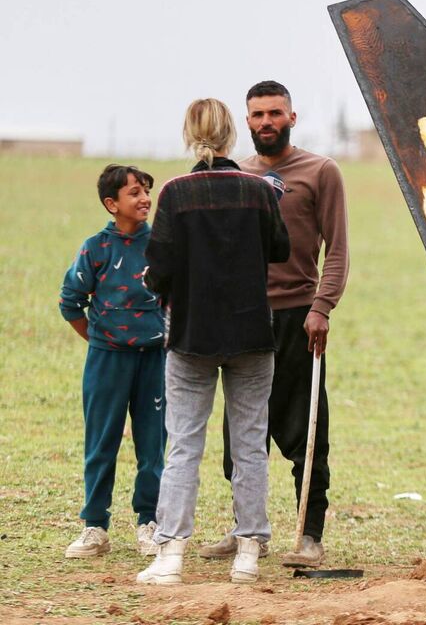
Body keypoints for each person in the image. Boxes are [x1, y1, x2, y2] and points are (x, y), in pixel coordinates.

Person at [136, 98, 289, 585]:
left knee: (183, 444)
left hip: (191, 334)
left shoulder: (177, 194)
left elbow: (158, 267)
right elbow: (281, 249)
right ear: (231, 134)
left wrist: (157, 283)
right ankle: (248, 551)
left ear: (190, 135)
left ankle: (171, 554)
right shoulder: (259, 190)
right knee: (249, 446)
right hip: (251, 332)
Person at [198, 80, 349, 568]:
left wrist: (321, 307)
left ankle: (309, 535)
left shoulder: (321, 172)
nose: (266, 122)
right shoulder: (236, 175)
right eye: (258, 115)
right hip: (243, 319)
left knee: (305, 427)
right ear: (246, 122)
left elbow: (338, 249)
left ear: (292, 117)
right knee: (241, 429)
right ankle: (247, 532)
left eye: (275, 113)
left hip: (298, 318)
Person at [59, 165, 167, 559]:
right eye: (134, 193)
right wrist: (100, 338)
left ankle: (150, 522)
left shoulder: (161, 244)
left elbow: (174, 296)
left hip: (154, 361)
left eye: (146, 191)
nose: (144, 199)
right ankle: (94, 527)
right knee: (101, 443)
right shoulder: (96, 249)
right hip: (107, 362)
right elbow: (70, 301)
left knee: (153, 444)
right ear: (111, 204)